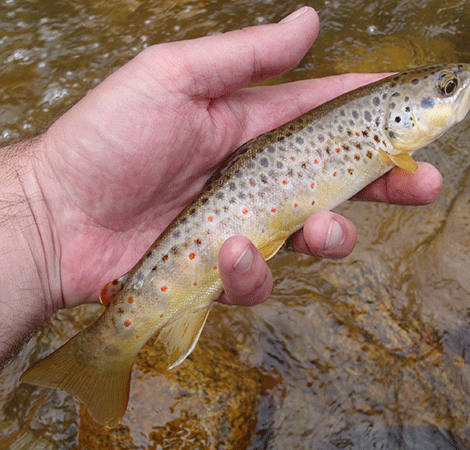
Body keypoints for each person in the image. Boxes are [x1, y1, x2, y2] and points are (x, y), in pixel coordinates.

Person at [0, 7, 442, 367]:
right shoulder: (385, 142)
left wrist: (44, 220)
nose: (458, 91)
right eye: (446, 89)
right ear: (394, 121)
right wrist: (45, 210)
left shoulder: (385, 143)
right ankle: (99, 357)